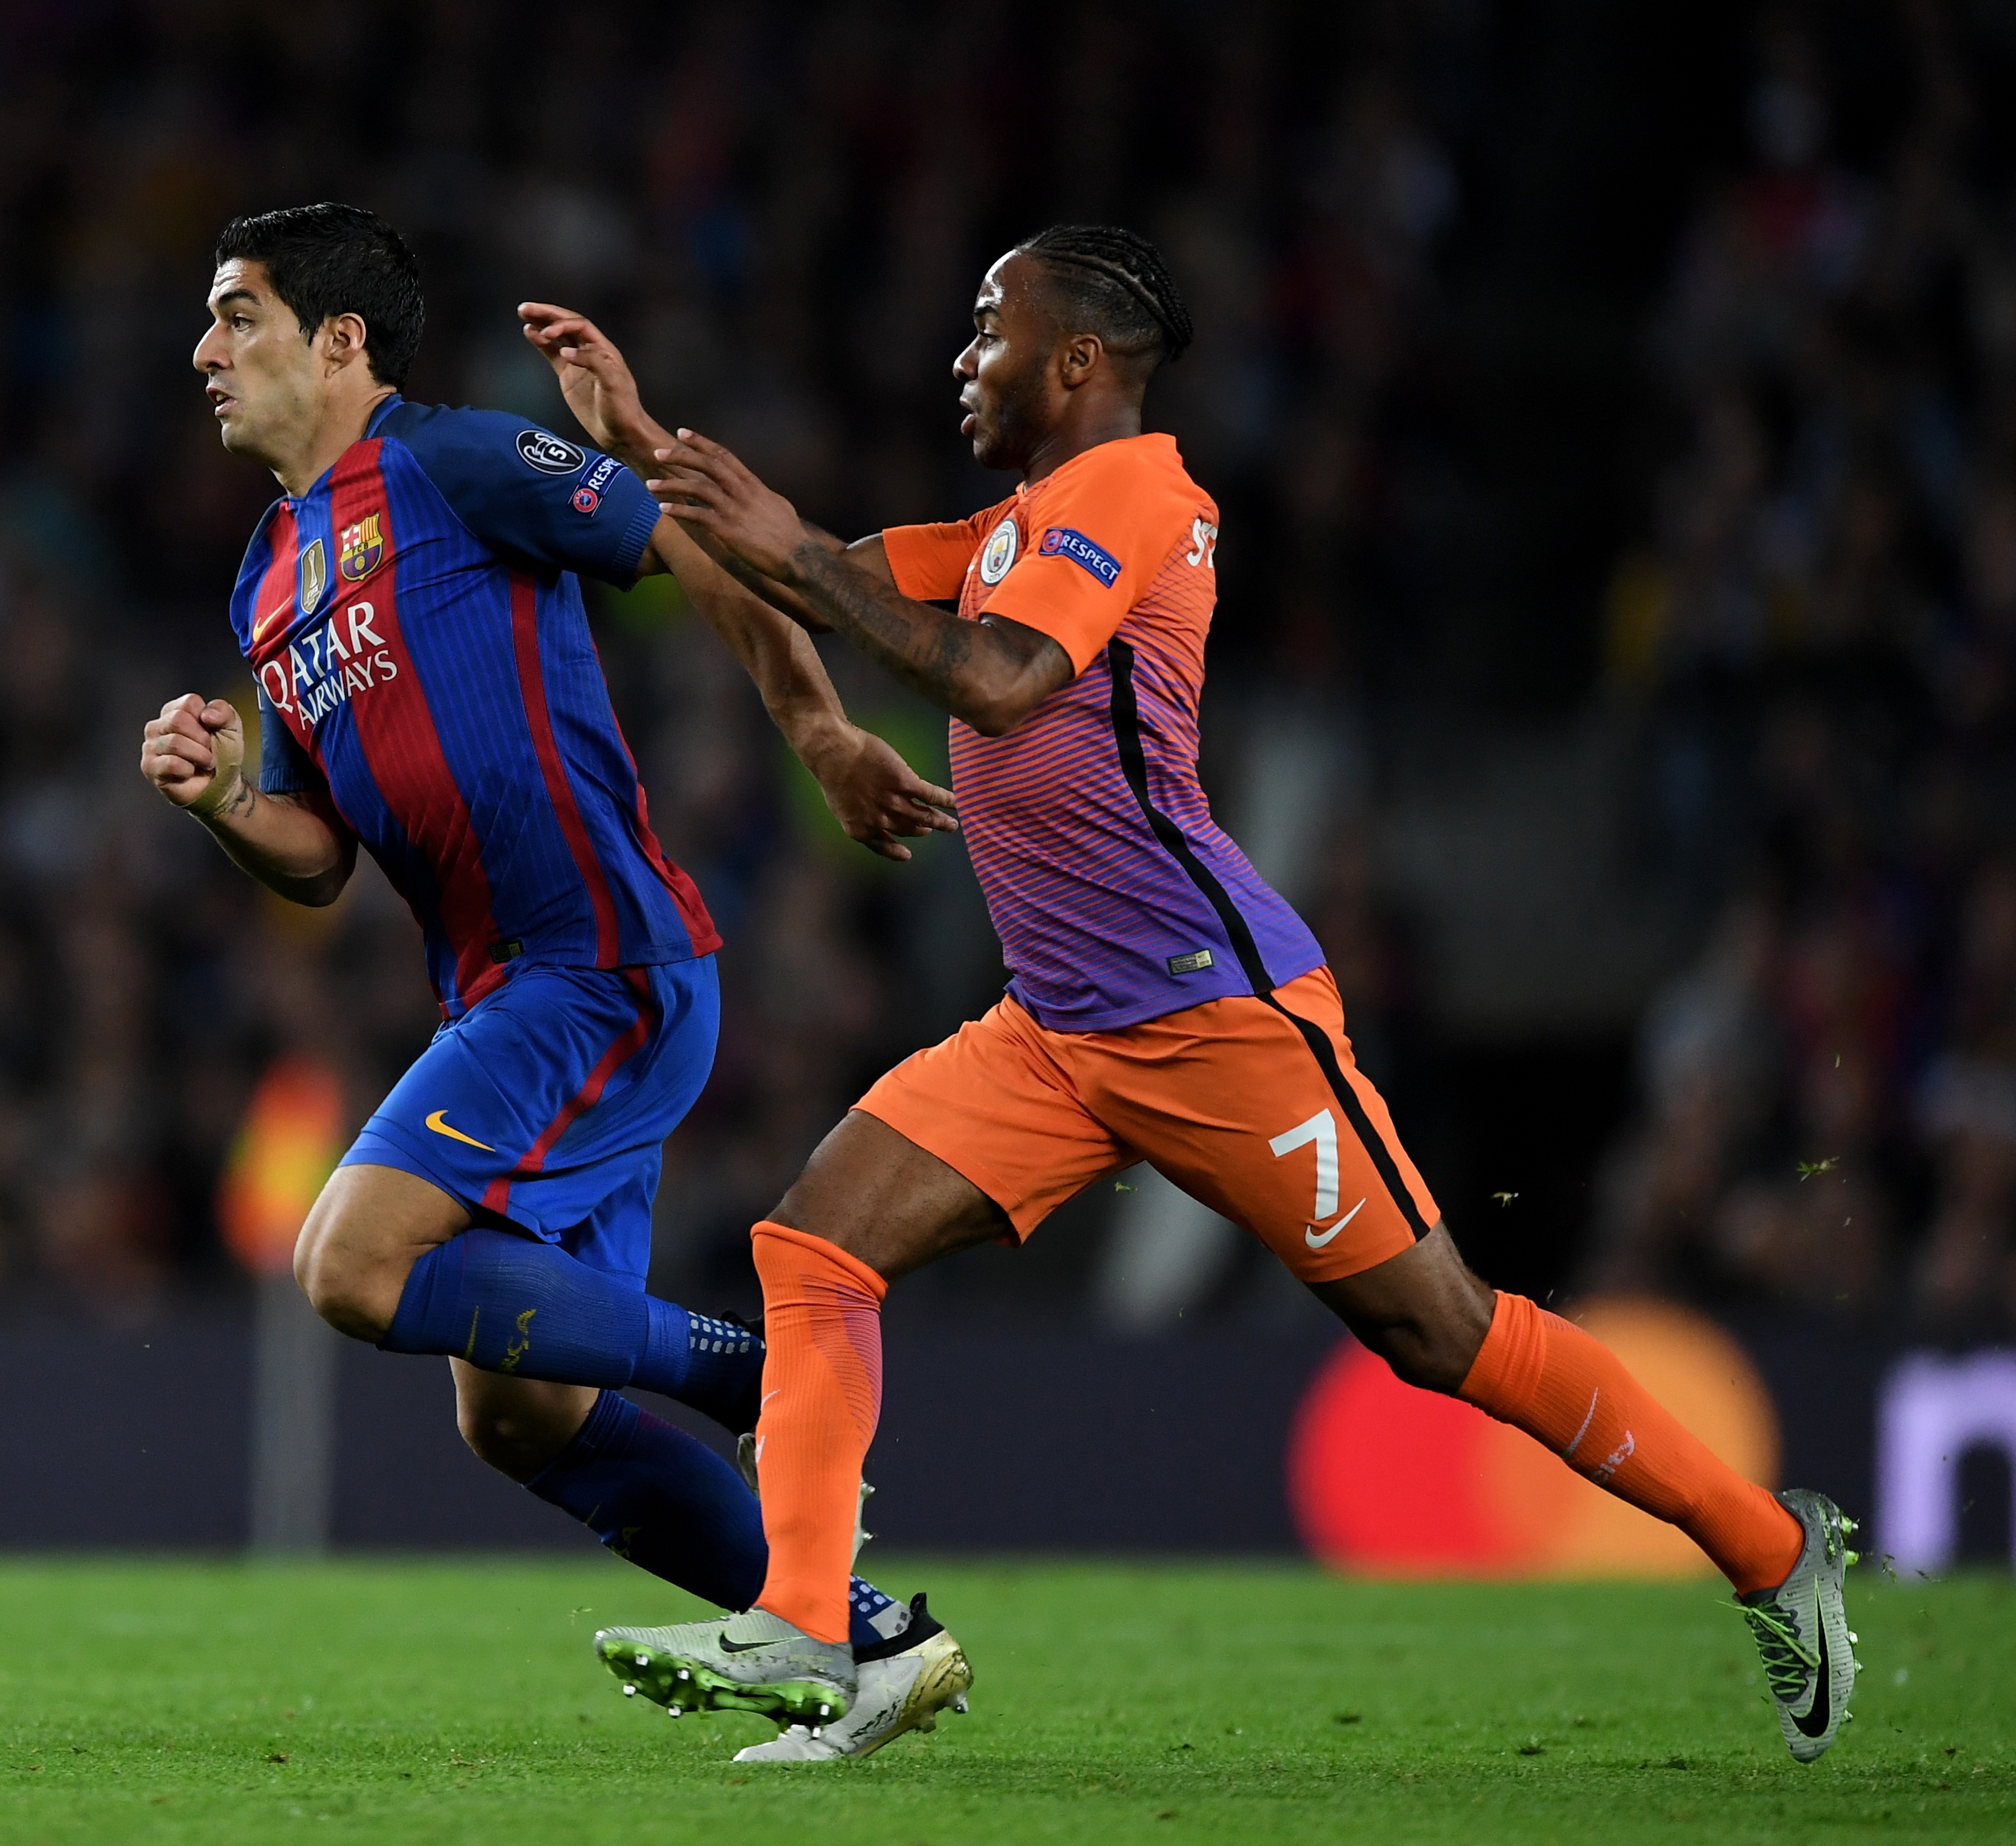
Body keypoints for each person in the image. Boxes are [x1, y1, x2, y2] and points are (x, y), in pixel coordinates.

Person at [545, 224, 1859, 1765]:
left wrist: (799, 549)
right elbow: (785, 562)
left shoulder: (1138, 494)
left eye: (989, 327)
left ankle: (1773, 1550)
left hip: (1212, 1016)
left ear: (1077, 358)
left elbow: (996, 682)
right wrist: (642, 439)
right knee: (815, 1242)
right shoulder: (1011, 526)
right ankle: (812, 1627)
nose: (964, 358)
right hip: (1055, 1032)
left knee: (1442, 1331)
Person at [139, 203, 970, 1743]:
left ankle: (756, 1375)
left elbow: (696, 549)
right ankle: (865, 1645)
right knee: (519, 1416)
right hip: (514, 997)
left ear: (340, 341)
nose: (206, 350)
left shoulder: (453, 463)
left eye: (237, 315)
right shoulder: (267, 574)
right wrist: (227, 804)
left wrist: (820, 732)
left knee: (348, 1264)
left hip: (597, 966)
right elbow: (319, 859)